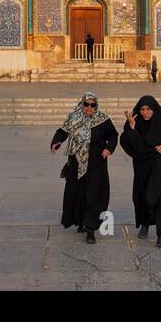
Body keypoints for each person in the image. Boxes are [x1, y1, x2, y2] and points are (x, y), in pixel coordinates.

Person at [50, 92, 117, 243]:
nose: (89, 108)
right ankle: (80, 221)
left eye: (92, 105)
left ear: (96, 105)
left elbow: (113, 136)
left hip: (96, 164)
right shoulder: (74, 117)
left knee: (93, 194)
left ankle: (90, 229)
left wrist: (109, 149)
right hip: (76, 163)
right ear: (82, 104)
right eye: (86, 104)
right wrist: (56, 142)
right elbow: (63, 131)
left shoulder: (103, 120)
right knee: (77, 193)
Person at [119, 95, 161, 249]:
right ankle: (145, 224)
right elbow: (132, 146)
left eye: (148, 109)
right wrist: (132, 126)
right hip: (142, 168)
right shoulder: (135, 123)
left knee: (159, 197)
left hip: (160, 168)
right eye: (142, 109)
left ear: (154, 110)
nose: (145, 113)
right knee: (143, 197)